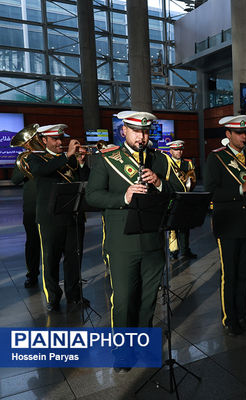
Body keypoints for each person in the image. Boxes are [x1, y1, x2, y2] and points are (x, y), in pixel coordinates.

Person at [86, 111, 176, 334]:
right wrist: (123, 198)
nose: (141, 137)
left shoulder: (159, 159)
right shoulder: (106, 159)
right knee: (124, 301)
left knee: (148, 301)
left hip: (153, 241)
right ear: (123, 130)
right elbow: (92, 195)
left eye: (145, 132)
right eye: (136, 131)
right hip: (122, 243)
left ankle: (143, 342)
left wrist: (158, 182)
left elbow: (176, 192)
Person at [204, 114, 246, 336]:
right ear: (228, 134)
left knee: (243, 274)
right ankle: (230, 318)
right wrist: (241, 188)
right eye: (239, 133)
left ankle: (242, 315)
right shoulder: (216, 158)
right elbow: (211, 192)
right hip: (228, 224)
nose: (244, 136)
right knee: (230, 274)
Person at [28, 124, 89, 311]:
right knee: (51, 259)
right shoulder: (35, 157)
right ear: (44, 140)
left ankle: (74, 295)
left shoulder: (69, 158)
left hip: (73, 216)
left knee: (74, 258)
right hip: (50, 218)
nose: (59, 142)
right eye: (54, 139)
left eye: (60, 139)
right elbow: (43, 171)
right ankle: (53, 298)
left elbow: (85, 179)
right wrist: (67, 156)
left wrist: (81, 162)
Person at [11, 147, 40, 288]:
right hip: (31, 208)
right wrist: (25, 169)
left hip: (48, 205)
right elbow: (15, 180)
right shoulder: (24, 159)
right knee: (32, 243)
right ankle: (32, 274)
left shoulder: (49, 157)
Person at [166, 140, 197, 260]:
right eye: (176, 150)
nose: (179, 152)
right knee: (172, 227)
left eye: (180, 150)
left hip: (184, 198)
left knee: (185, 227)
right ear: (171, 151)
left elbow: (193, 180)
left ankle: (185, 250)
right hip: (172, 198)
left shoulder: (188, 163)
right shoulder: (167, 163)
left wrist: (189, 182)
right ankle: (173, 251)